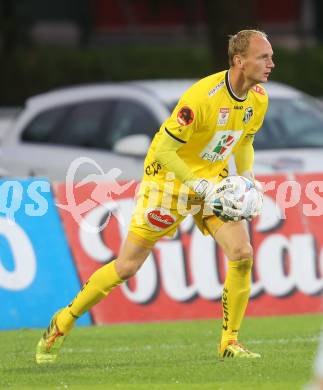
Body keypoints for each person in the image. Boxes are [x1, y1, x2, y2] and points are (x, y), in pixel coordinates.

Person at [36, 29, 274, 364]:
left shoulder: (259, 99)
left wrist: (247, 178)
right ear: (239, 60)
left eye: (270, 56)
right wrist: (198, 185)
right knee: (127, 266)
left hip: (213, 181)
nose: (271, 63)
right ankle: (62, 322)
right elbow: (163, 149)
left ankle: (229, 343)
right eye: (263, 57)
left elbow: (244, 141)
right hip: (168, 182)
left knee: (242, 252)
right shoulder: (202, 97)